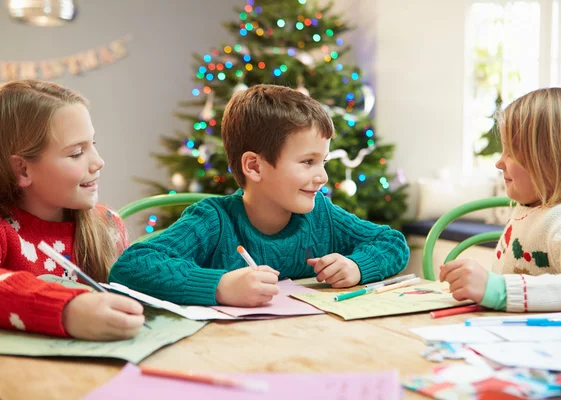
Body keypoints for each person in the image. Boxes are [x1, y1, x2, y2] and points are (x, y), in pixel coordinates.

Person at [110, 84, 409, 307]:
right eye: (308, 162)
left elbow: (392, 243)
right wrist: (220, 286)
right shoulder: (214, 220)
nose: (323, 177)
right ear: (254, 166)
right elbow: (132, 265)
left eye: (324, 162)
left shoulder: (322, 215)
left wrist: (357, 266)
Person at [0, 80, 145, 340]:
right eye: (77, 153)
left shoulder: (108, 224)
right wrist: (67, 310)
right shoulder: (4, 233)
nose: (99, 162)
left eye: (93, 144)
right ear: (22, 169)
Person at [440, 86, 561, 313]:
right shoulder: (528, 208)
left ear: (552, 160)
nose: (499, 162)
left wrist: (501, 291)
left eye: (511, 152)